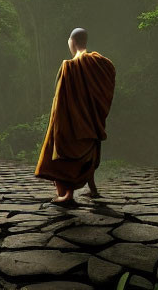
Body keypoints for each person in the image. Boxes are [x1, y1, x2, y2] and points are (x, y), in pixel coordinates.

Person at [34, 27, 116, 206]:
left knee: (66, 152)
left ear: (72, 42)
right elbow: (106, 83)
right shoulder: (100, 62)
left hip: (72, 120)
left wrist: (58, 123)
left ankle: (68, 195)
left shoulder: (69, 66)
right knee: (89, 151)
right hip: (90, 119)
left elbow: (62, 99)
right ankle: (92, 189)